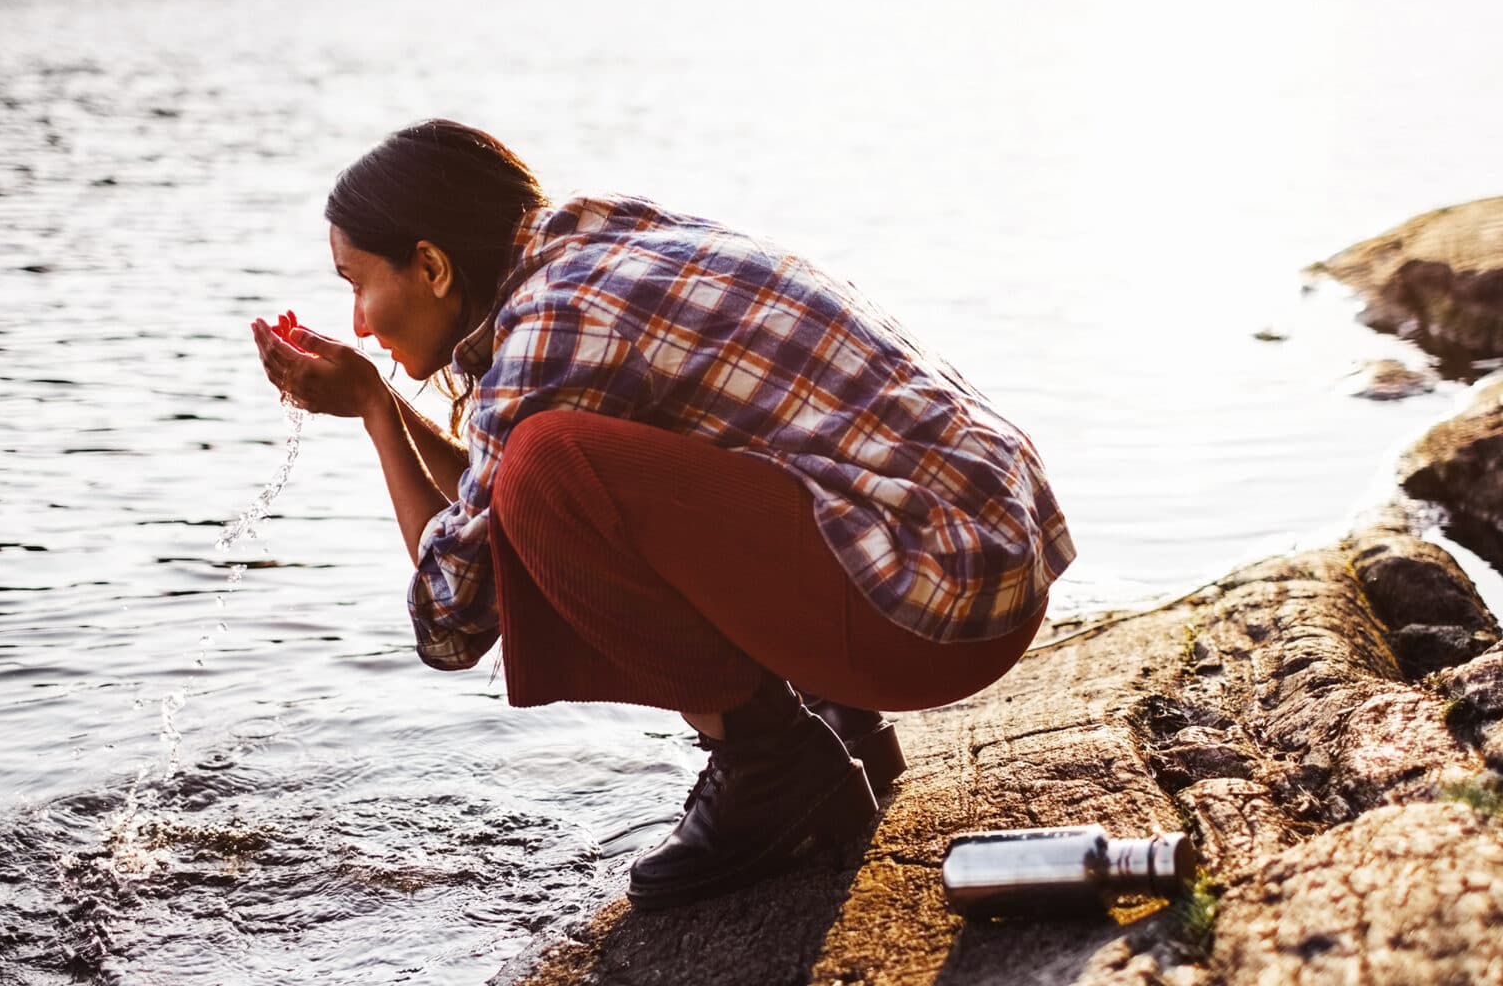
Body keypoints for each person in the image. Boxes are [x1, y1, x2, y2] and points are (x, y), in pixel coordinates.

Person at [250, 119, 1075, 911]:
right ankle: (838, 721)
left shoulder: (556, 319)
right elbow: (493, 505)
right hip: (978, 565)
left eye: (357, 285)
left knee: (548, 463)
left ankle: (770, 765)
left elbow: (452, 619)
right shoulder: (606, 240)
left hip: (933, 619)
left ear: (430, 265)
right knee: (553, 469)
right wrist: (384, 403)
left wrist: (371, 410)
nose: (357, 321)